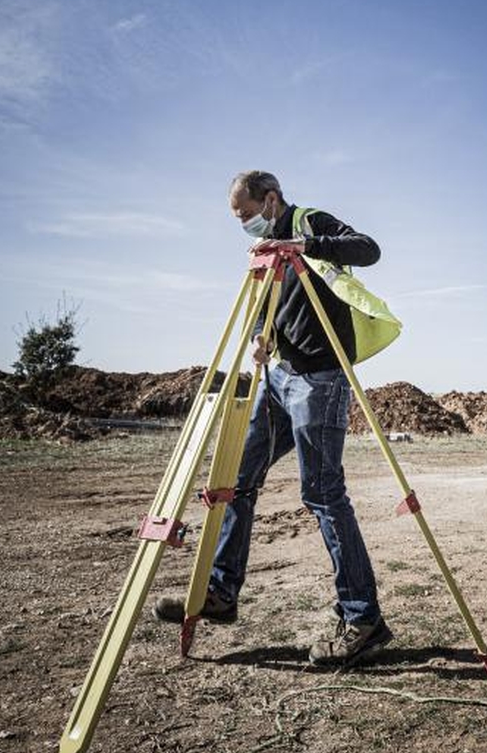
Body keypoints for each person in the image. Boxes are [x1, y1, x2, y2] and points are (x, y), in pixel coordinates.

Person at [155, 170, 393, 667]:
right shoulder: (265, 250)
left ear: (270, 199)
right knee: (238, 477)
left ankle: (362, 617)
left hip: (320, 378)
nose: (243, 223)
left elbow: (368, 249)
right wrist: (264, 337)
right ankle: (221, 592)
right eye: (236, 217)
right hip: (278, 377)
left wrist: (305, 244)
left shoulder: (308, 223)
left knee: (323, 493)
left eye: (246, 213)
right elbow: (273, 308)